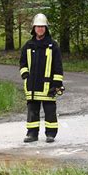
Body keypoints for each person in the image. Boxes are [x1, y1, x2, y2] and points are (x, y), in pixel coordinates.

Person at [19, 13, 64, 143]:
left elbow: (58, 65)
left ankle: (50, 134)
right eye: (38, 27)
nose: (40, 29)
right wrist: (25, 75)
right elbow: (22, 63)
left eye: (42, 27)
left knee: (50, 111)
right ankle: (32, 134)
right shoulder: (28, 45)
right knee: (32, 111)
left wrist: (56, 83)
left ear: (46, 28)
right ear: (34, 28)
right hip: (32, 85)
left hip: (48, 86)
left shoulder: (52, 45)